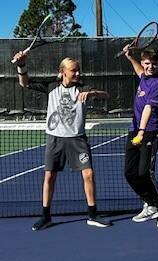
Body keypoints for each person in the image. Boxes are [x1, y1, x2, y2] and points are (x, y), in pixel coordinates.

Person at [12, 52, 112, 230]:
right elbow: (24, 83)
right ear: (63, 72)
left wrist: (93, 93)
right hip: (55, 139)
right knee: (49, 176)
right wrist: (21, 65)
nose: (78, 74)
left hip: (77, 140)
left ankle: (92, 215)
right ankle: (46, 216)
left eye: (78, 70)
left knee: (88, 174)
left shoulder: (83, 87)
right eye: (74, 71)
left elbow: (106, 95)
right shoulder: (51, 86)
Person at [123, 46, 158, 227]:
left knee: (145, 173)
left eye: (154, 64)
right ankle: (150, 203)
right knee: (129, 173)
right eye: (147, 63)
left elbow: (148, 108)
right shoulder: (144, 76)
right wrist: (130, 57)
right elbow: (138, 70)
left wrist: (141, 132)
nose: (151, 67)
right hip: (134, 130)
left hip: (149, 131)